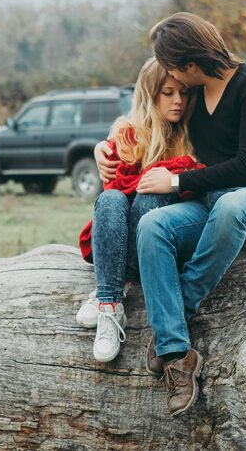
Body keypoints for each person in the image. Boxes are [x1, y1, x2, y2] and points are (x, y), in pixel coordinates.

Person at [95, 12, 246, 416]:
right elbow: (146, 124)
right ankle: (177, 355)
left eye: (170, 63)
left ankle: (177, 311)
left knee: (231, 205)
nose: (171, 77)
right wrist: (104, 147)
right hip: (209, 203)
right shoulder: (195, 95)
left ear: (188, 62)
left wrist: (174, 183)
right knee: (152, 225)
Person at [76, 57, 204, 363]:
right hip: (118, 242)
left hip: (159, 247)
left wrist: (169, 179)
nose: (178, 101)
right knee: (110, 200)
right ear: (149, 94)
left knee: (148, 199)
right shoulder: (127, 134)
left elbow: (199, 181)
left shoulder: (192, 135)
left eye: (183, 94)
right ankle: (110, 306)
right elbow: (112, 193)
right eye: (168, 92)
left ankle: (108, 290)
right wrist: (102, 148)